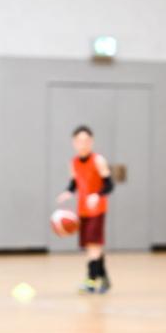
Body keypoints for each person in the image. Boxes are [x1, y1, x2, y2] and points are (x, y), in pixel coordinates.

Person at [57, 125, 114, 293]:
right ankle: (104, 279)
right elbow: (74, 182)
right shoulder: (73, 162)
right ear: (74, 142)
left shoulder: (98, 160)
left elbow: (109, 185)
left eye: (86, 140)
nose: (83, 144)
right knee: (92, 247)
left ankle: (91, 280)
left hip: (97, 209)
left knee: (93, 246)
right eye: (79, 140)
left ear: (92, 142)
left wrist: (97, 195)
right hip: (82, 210)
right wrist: (68, 192)